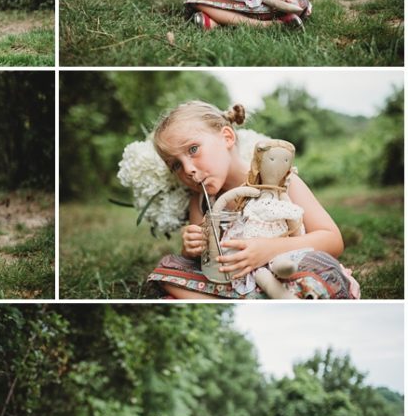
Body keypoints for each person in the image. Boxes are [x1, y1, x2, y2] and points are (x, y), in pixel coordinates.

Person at [146, 101, 360, 300]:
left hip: (287, 272)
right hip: (234, 279)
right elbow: (203, 259)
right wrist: (191, 247)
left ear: (227, 137)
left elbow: (333, 240)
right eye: (175, 165)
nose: (188, 170)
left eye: (193, 149)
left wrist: (269, 249)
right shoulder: (201, 200)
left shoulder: (279, 180)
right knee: (168, 267)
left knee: (321, 269)